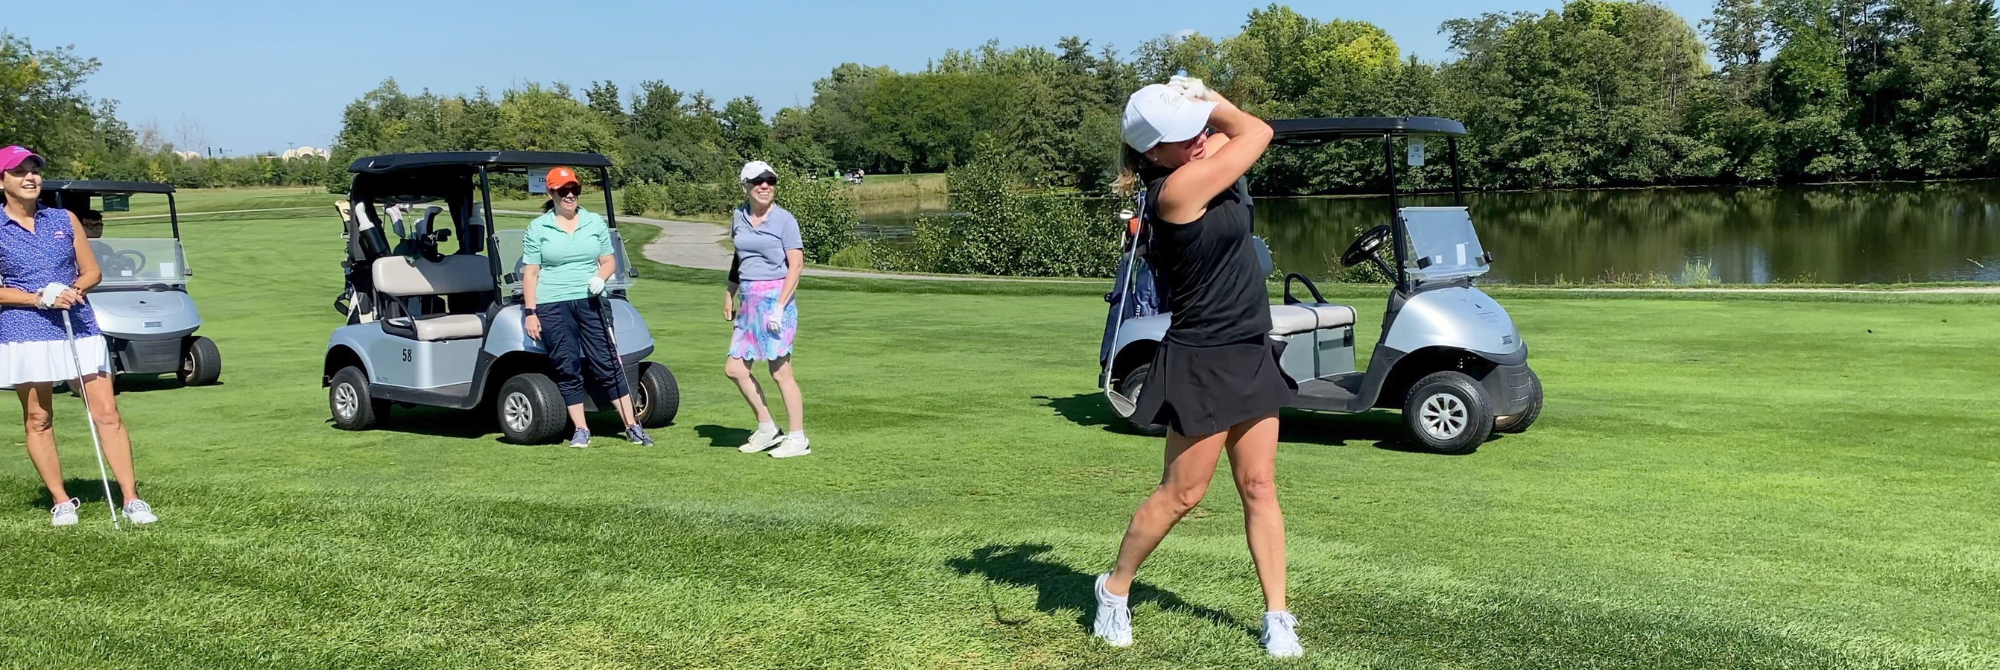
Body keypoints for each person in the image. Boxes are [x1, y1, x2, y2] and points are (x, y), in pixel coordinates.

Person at [1091, 81, 1301, 657]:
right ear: (1155, 154)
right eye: (1187, 134)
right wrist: (1210, 99)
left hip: (1249, 348)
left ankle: (1277, 614)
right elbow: (1257, 130)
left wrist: (1198, 113)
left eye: (1200, 129)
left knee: (1259, 485)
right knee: (1183, 494)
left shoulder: (1201, 164)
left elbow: (1240, 138)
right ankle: (1114, 589)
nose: (1202, 137)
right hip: (1202, 358)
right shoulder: (1176, 190)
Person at [0, 146, 157, 526]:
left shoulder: (64, 218)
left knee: (107, 413)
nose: (30, 177)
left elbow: (91, 271)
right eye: (19, 171)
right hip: (25, 329)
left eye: (34, 170)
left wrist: (70, 289)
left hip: (79, 323)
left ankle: (132, 499)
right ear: (2, 180)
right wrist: (38, 298)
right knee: (38, 417)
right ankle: (61, 501)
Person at [520, 166, 651, 448]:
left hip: (591, 299)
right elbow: (530, 273)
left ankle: (631, 425)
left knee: (607, 362)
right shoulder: (539, 227)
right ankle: (581, 428)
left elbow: (608, 261)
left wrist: (599, 279)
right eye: (563, 191)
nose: (570, 195)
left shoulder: (593, 222)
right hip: (552, 303)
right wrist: (531, 313)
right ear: (551, 192)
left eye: (574, 190)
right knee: (566, 366)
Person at [724, 160, 810, 458]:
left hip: (776, 300)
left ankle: (798, 437)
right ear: (745, 186)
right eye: (758, 181)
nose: (765, 186)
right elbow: (740, 257)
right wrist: (730, 291)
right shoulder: (738, 216)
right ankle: (767, 428)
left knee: (780, 372)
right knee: (734, 369)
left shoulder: (785, 220)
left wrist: (779, 307)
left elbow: (796, 265)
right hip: (748, 301)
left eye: (770, 181)